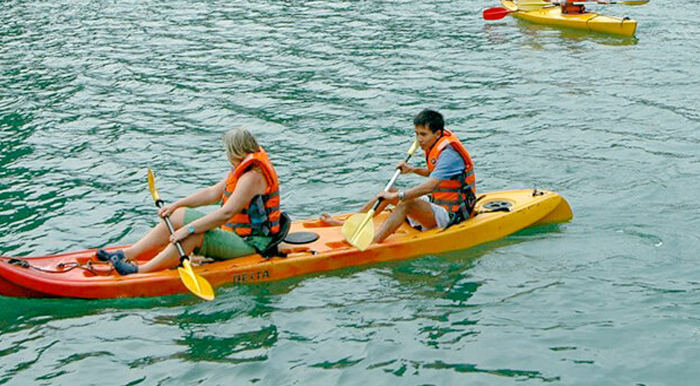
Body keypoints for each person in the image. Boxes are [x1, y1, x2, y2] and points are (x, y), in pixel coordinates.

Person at [97, 128, 288, 274]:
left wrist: (188, 229)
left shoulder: (252, 177)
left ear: (235, 151)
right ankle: (128, 254)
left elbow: (226, 213)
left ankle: (140, 271)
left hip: (253, 244)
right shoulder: (244, 170)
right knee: (178, 215)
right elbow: (212, 193)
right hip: (236, 233)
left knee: (193, 236)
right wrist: (176, 205)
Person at [323, 110, 476, 245]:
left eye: (423, 134)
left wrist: (399, 196)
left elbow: (430, 186)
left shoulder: (449, 154)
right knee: (388, 191)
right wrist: (413, 169)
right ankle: (349, 223)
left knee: (406, 202)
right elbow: (437, 174)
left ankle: (374, 242)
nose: (419, 139)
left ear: (437, 133)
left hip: (453, 214)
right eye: (416, 134)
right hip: (438, 202)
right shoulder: (436, 144)